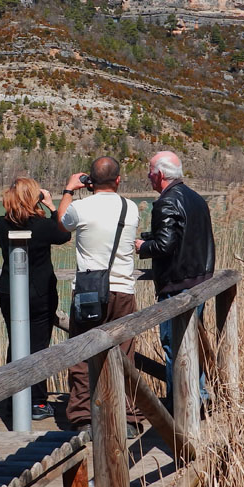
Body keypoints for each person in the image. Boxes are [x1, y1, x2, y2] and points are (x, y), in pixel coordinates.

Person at [58, 156, 141, 437]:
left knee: (82, 354)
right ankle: (127, 416)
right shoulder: (131, 208)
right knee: (124, 354)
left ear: (90, 181)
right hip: (123, 290)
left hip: (88, 291)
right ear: (118, 180)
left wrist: (69, 191)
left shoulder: (79, 208)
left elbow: (62, 224)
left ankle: (83, 417)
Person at [135, 151, 215, 410]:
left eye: (149, 171)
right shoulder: (196, 199)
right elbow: (187, 236)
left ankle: (178, 405)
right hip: (199, 283)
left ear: (159, 174)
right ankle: (199, 396)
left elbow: (165, 245)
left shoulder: (166, 202)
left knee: (175, 346)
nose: (148, 176)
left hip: (177, 287)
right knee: (193, 344)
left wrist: (142, 246)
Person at [0, 177, 71, 421]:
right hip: (39, 294)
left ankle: (13, 400)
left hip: (9, 292)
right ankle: (37, 403)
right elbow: (63, 235)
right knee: (38, 348)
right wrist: (51, 206)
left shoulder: (1, 224)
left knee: (15, 346)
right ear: (34, 197)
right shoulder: (42, 226)